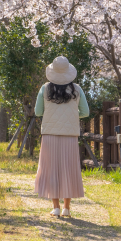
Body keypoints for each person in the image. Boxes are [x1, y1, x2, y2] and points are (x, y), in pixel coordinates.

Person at [34, 56, 89, 218]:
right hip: (70, 135)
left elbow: (38, 112)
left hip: (50, 134)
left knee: (52, 170)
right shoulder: (77, 89)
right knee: (68, 169)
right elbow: (85, 112)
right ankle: (67, 208)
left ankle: (56, 208)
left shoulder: (45, 88)